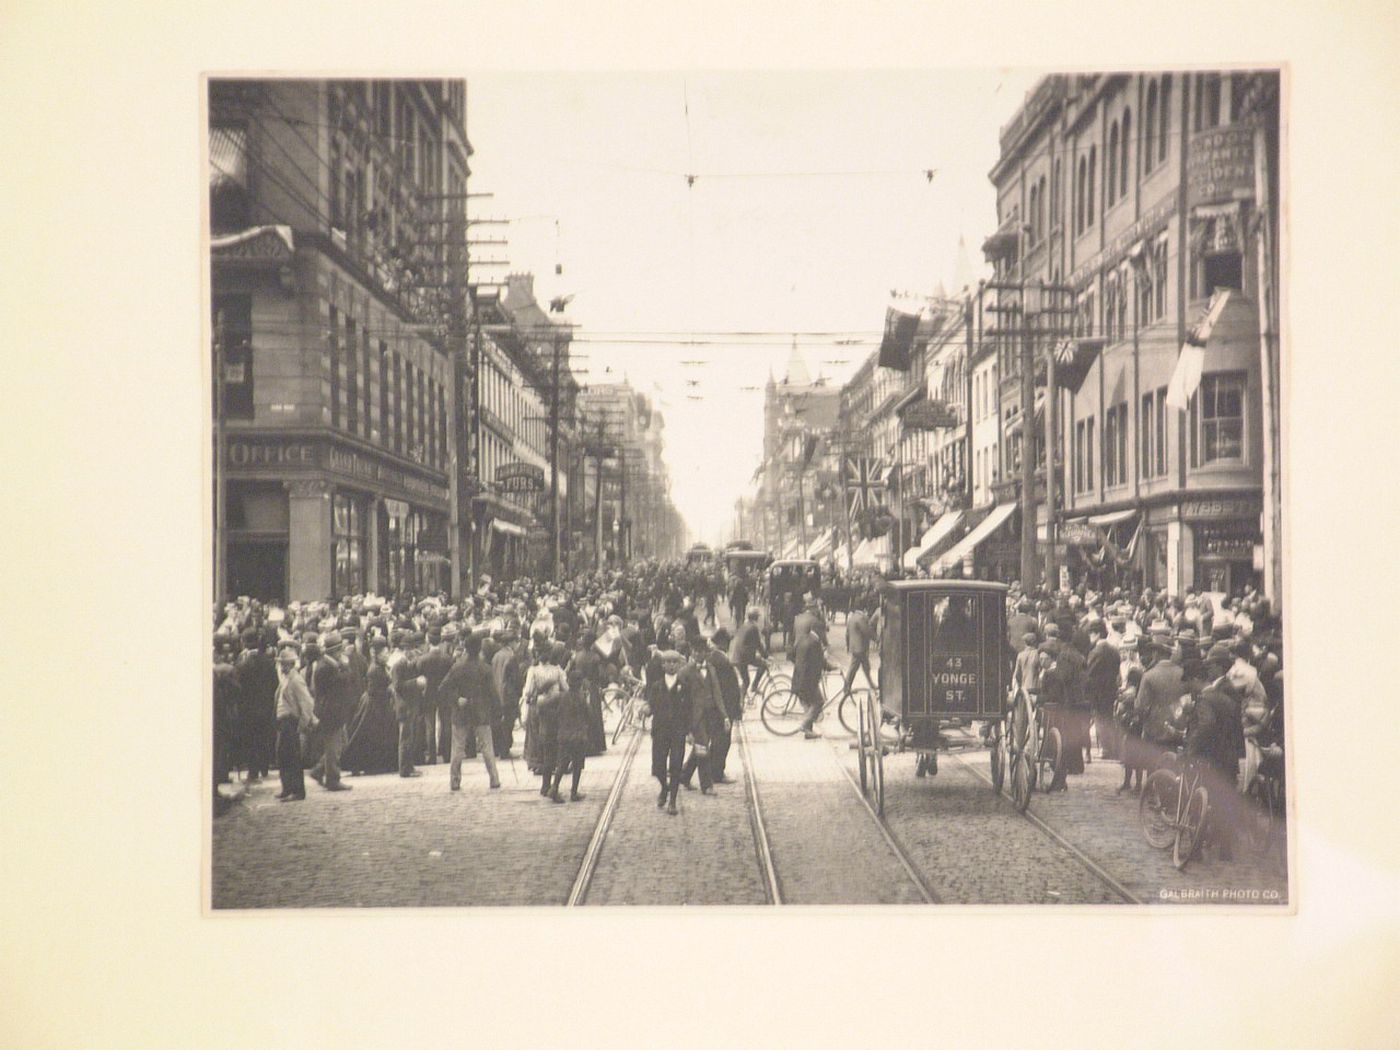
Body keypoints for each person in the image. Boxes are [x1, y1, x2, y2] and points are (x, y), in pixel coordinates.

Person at [440, 631, 501, 792]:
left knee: (458, 749)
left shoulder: (457, 667)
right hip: (481, 713)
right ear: (479, 648)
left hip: (461, 712)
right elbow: (493, 693)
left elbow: (443, 688)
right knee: (487, 748)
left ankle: (455, 781)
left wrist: (456, 698)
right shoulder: (485, 668)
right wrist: (498, 710)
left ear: (465, 648)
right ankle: (494, 778)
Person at [341, 637, 398, 775]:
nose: (387, 656)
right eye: (384, 654)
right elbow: (373, 690)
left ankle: (379, 764)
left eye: (387, 653)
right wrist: (389, 690)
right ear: (377, 654)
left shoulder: (380, 667)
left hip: (379, 704)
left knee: (376, 736)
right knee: (369, 735)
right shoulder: (374, 670)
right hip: (374, 706)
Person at [646, 648, 693, 815]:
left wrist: (690, 732)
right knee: (658, 767)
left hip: (678, 732)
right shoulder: (656, 686)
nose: (671, 665)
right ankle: (664, 788)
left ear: (679, 665)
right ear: (662, 665)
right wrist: (646, 710)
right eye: (668, 662)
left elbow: (689, 710)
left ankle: (672, 801)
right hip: (660, 731)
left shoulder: (684, 686)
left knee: (675, 766)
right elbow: (650, 705)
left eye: (674, 662)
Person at [309, 631, 356, 792]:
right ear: (335, 651)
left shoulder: (328, 664)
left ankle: (319, 770)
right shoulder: (326, 667)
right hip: (330, 712)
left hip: (334, 710)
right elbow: (342, 682)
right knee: (333, 746)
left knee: (340, 743)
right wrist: (346, 666)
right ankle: (332, 779)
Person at [680, 638, 728, 794]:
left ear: (706, 653)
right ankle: (706, 785)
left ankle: (685, 776)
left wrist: (724, 716)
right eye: (695, 651)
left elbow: (717, 693)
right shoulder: (686, 672)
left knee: (701, 747)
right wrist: (686, 724)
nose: (697, 654)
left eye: (701, 651)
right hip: (696, 716)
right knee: (703, 748)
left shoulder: (712, 669)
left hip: (712, 714)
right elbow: (683, 699)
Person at [274, 643, 317, 802]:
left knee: (292, 757)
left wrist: (304, 724)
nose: (282, 666)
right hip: (283, 721)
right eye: (281, 663)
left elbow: (307, 703)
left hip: (291, 722)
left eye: (284, 664)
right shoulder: (286, 678)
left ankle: (297, 791)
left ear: (291, 664)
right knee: (283, 755)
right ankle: (287, 788)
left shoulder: (296, 680)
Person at [705, 628, 743, 783]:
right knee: (722, 741)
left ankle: (710, 771)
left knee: (717, 740)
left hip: (722, 707)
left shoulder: (716, 657)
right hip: (724, 707)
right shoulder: (719, 659)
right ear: (722, 643)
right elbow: (727, 687)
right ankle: (717, 773)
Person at [390, 631, 427, 778]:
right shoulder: (399, 666)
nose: (413, 653)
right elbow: (398, 686)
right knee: (405, 738)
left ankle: (410, 766)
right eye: (411, 650)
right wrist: (416, 682)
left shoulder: (411, 664)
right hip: (404, 706)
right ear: (406, 650)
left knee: (411, 738)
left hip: (412, 705)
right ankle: (404, 769)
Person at [1085, 620, 1121, 761]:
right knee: (1109, 718)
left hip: (1097, 691)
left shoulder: (1096, 652)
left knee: (1099, 719)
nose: (1089, 637)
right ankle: (1112, 748)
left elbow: (1089, 672)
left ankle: (1106, 749)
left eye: (1091, 633)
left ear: (1097, 634)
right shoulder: (1114, 651)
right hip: (1110, 688)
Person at [793, 624, 834, 739]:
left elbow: (791, 655)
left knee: (808, 704)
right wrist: (833, 667)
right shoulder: (815, 643)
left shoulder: (802, 639)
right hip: (808, 681)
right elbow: (821, 661)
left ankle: (808, 732)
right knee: (818, 702)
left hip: (798, 678)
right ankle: (805, 725)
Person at [491, 629, 525, 760]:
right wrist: (519, 691)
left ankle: (498, 748)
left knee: (500, 722)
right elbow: (516, 679)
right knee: (508, 723)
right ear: (510, 643)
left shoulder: (496, 656)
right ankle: (505, 750)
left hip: (497, 692)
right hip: (508, 694)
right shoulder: (511, 657)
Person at [731, 607, 768, 698]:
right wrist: (766, 656)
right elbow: (758, 644)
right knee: (763, 665)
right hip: (743, 658)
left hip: (737, 656)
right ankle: (748, 692)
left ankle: (743, 697)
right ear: (756, 618)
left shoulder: (744, 625)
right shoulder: (753, 628)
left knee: (745, 680)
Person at [842, 600, 876, 694]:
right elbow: (867, 631)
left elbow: (847, 634)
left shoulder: (852, 618)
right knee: (854, 668)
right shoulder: (861, 618)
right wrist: (877, 639)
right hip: (860, 648)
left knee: (865, 667)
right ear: (864, 608)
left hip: (855, 647)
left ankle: (871, 684)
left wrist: (848, 645)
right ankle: (846, 687)